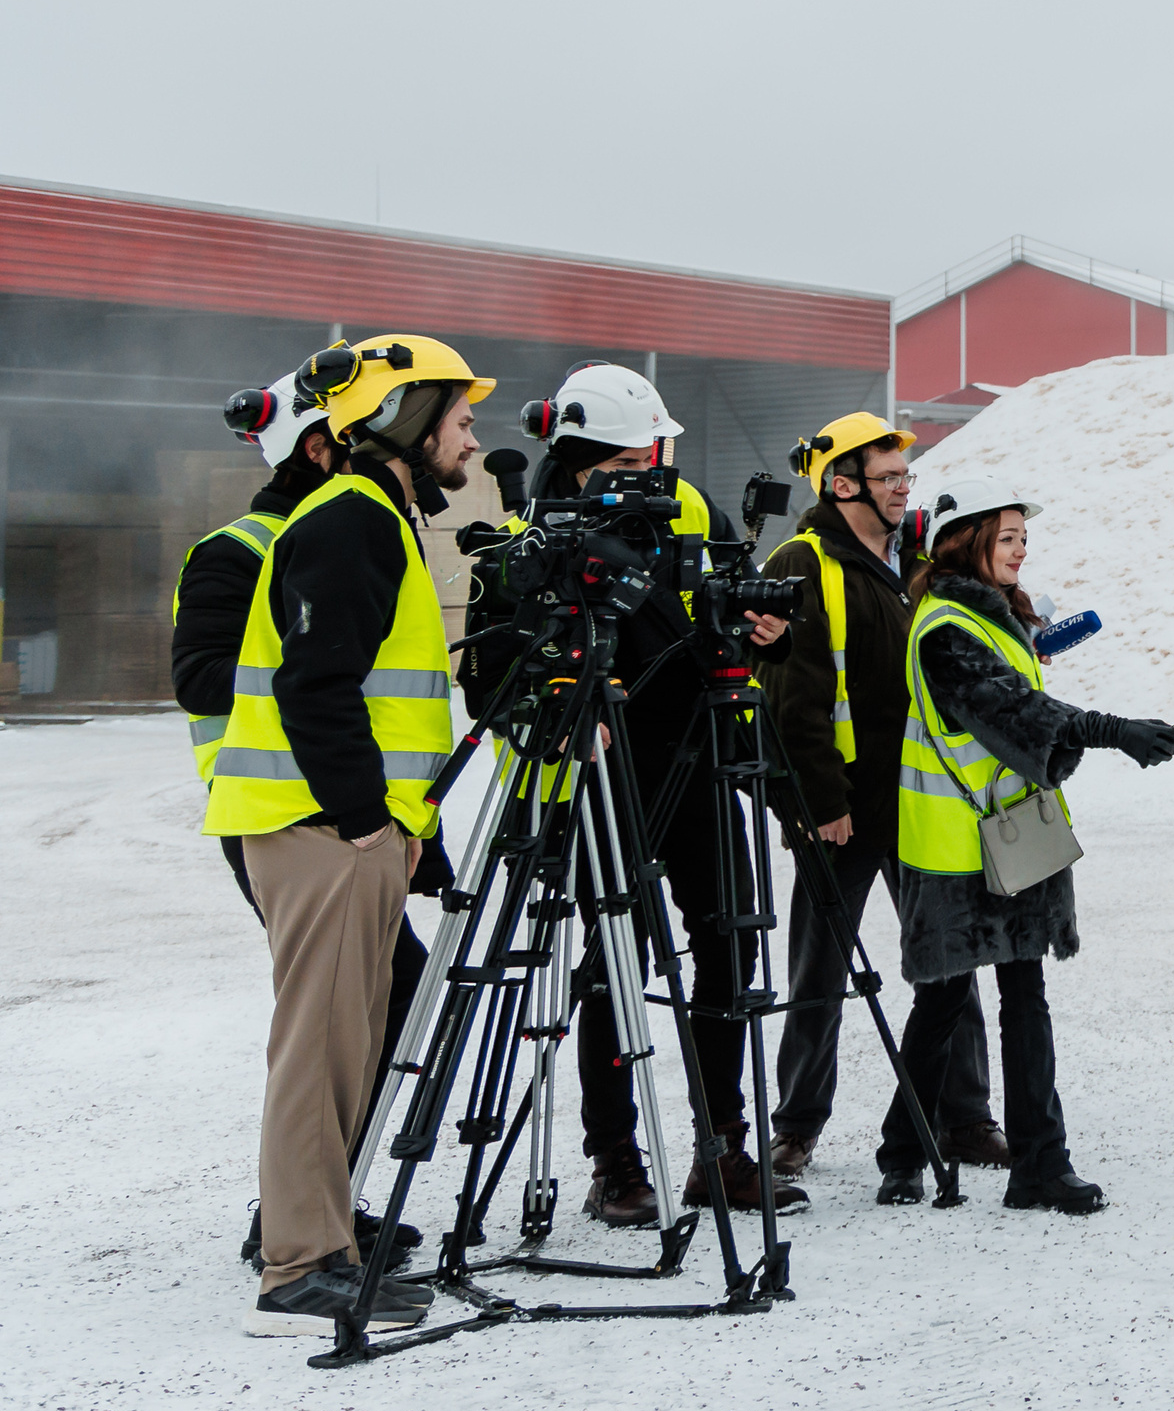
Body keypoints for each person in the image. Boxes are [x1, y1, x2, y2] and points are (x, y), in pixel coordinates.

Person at [466, 361, 799, 1229]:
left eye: (650, 456)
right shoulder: (527, 537)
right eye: (622, 463)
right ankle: (614, 1157)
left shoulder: (690, 506)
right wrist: (555, 715)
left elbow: (724, 614)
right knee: (615, 962)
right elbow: (489, 679)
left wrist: (762, 631)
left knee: (730, 946)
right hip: (597, 778)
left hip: (699, 760)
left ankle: (723, 1147)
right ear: (576, 459)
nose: (646, 474)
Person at [204, 334, 491, 1334]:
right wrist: (368, 816)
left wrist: (403, 829)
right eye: (460, 420)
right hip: (320, 828)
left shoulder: (372, 519)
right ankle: (297, 1268)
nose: (472, 441)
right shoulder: (352, 520)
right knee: (319, 1053)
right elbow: (316, 686)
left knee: (347, 1045)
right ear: (406, 421)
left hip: (343, 829)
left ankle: (325, 1242)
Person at [174, 370, 435, 1274]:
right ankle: (297, 1229)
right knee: (327, 1021)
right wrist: (309, 639)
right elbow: (203, 677)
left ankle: (322, 1203)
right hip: (288, 807)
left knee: (383, 996)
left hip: (340, 802)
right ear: (318, 448)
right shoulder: (244, 548)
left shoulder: (356, 531)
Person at [881, 476, 1174, 1214]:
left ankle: (1041, 1165)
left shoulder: (993, 617)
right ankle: (903, 1151)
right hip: (957, 844)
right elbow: (1014, 711)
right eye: (1008, 537)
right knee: (942, 1003)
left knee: (1025, 997)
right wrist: (1113, 731)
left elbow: (1022, 706)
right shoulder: (945, 628)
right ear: (966, 541)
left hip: (1012, 832)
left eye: (1024, 538)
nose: (1021, 551)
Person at [758, 412, 1003, 1183]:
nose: (903, 488)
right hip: (839, 809)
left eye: (906, 476)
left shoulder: (915, 563)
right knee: (819, 970)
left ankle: (966, 1116)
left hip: (919, 801)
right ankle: (796, 1125)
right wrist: (819, 803)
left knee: (949, 959)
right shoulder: (804, 562)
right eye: (889, 476)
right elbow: (792, 697)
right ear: (842, 484)